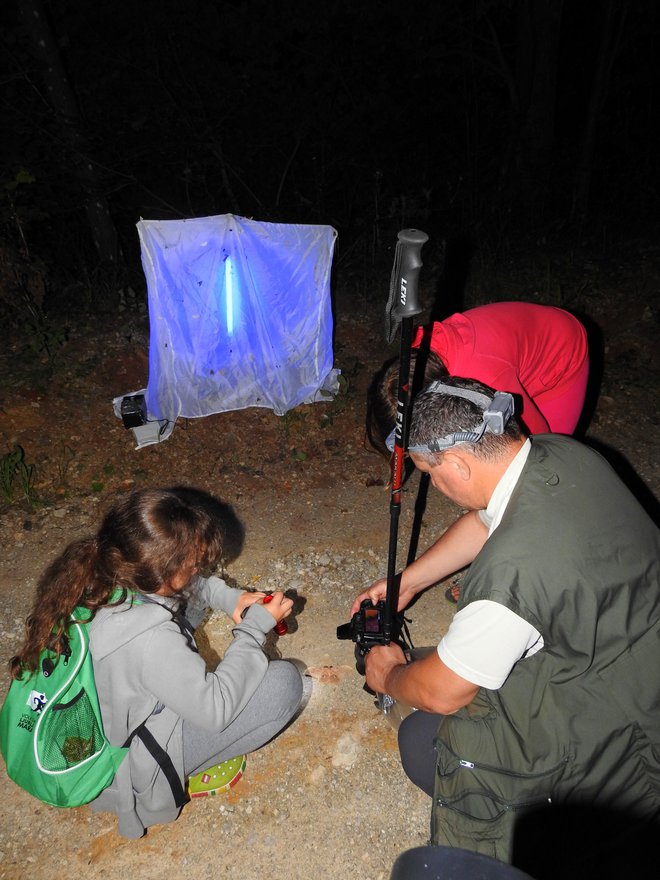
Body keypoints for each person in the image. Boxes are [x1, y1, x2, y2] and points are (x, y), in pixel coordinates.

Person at [351, 377, 660, 867]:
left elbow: (444, 692)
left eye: (429, 472)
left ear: (456, 463)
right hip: (635, 662)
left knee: (420, 740)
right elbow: (485, 520)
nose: (434, 482)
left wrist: (387, 673)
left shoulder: (511, 578)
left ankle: (567, 835)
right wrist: (409, 581)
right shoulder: (561, 455)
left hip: (617, 740)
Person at [9, 486, 304, 839]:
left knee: (186, 611)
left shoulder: (99, 573)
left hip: (103, 715)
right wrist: (255, 628)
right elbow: (216, 708)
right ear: (163, 572)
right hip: (128, 766)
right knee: (285, 685)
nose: (199, 567)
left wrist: (232, 598)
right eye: (194, 562)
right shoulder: (149, 639)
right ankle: (184, 770)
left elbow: (187, 589)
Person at [366, 301, 590, 603]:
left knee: (536, 480)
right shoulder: (418, 369)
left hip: (559, 352)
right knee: (490, 481)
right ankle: (496, 555)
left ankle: (531, 574)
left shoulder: (485, 378)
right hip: (507, 354)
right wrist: (409, 583)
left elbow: (533, 458)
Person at [366, 301, 590, 458]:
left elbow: (536, 444)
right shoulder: (414, 361)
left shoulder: (487, 380)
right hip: (511, 357)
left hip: (561, 352)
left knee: (546, 454)